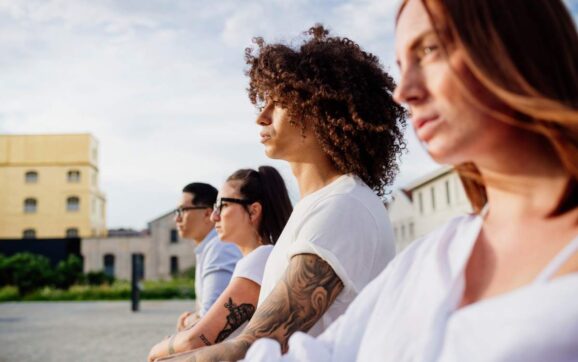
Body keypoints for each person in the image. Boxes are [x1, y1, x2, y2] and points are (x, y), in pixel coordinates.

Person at [240, 0, 578, 361]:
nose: (403, 92)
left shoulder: (348, 207)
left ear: (516, 45)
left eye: (429, 50)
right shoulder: (433, 256)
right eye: (402, 65)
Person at [156, 25, 406, 361]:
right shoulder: (319, 206)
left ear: (321, 110)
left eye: (279, 102)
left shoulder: (343, 206)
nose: (262, 116)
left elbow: (257, 344)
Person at [148, 167, 292, 361]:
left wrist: (157, 349)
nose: (215, 216)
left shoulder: (260, 259)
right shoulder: (259, 258)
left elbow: (197, 339)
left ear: (253, 211)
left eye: (222, 206)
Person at [173, 183, 242, 332]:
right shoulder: (210, 247)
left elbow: (209, 319)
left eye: (182, 210)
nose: (176, 218)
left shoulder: (220, 248)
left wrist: (187, 320)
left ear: (207, 213)